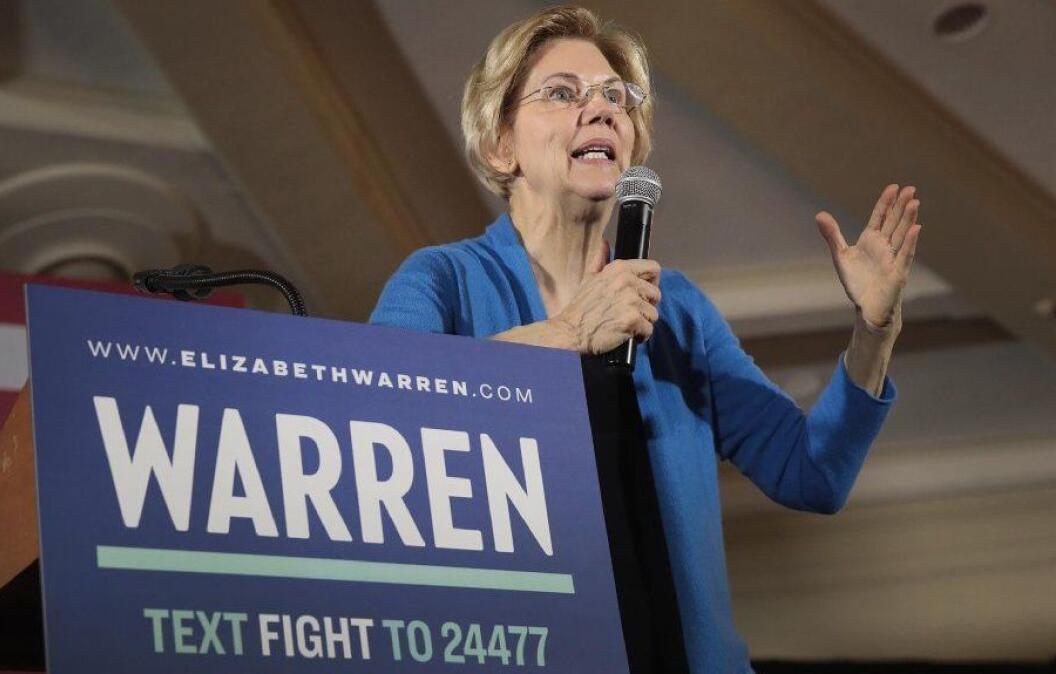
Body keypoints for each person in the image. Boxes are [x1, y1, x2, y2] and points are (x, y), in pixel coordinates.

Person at [370, 5, 922, 672]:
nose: (600, 110)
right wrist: (570, 333)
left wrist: (875, 331)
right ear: (500, 144)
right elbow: (386, 418)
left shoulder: (678, 309)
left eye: (616, 97)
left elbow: (811, 472)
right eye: (563, 93)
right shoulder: (444, 281)